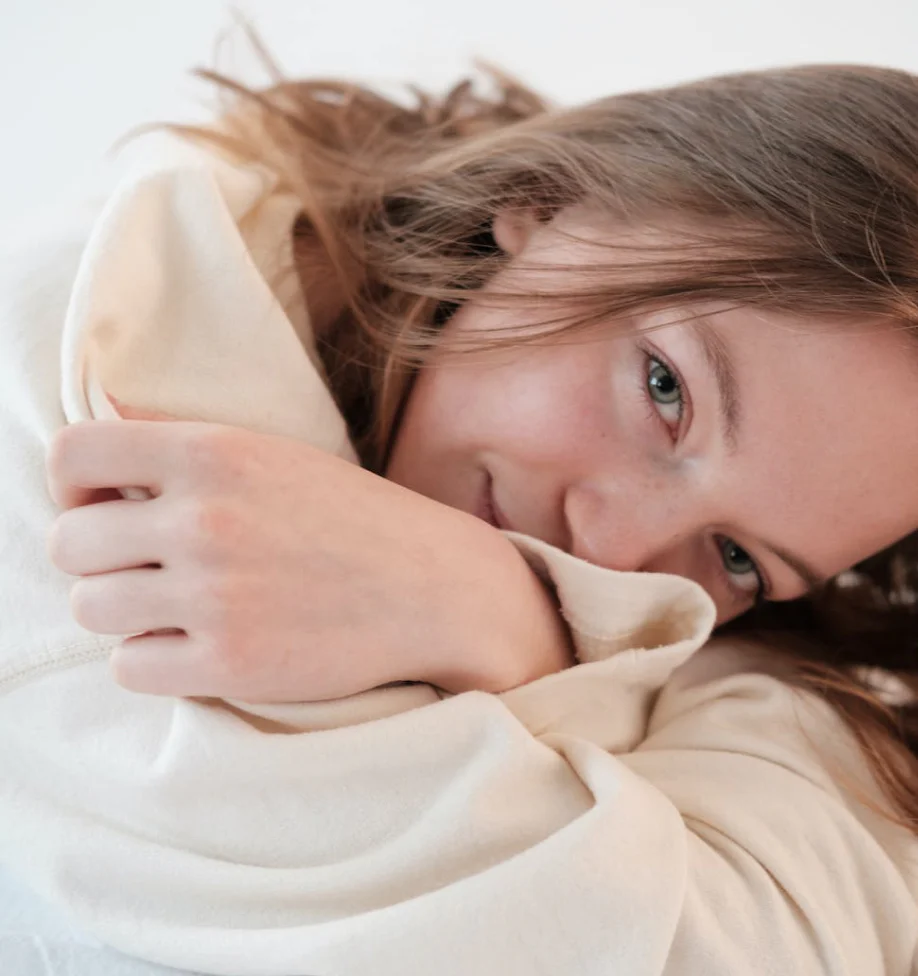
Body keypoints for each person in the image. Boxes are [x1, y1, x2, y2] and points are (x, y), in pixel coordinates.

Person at [0, 53, 916, 975]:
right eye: (664, 389)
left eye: (737, 557)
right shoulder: (85, 370)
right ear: (550, 201)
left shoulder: (765, 667)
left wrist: (498, 622)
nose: (614, 549)